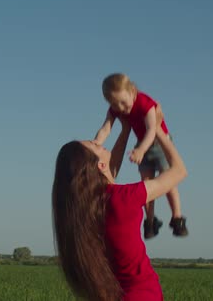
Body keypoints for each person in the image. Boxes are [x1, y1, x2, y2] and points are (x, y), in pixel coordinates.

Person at [53, 118, 187, 300]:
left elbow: (110, 172)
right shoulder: (124, 198)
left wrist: (125, 130)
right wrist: (159, 131)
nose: (99, 141)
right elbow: (179, 171)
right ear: (99, 166)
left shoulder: (86, 209)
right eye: (94, 144)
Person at [94, 73, 187, 238]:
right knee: (146, 184)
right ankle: (150, 222)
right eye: (115, 104)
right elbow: (106, 128)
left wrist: (141, 150)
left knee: (168, 182)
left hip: (159, 144)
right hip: (141, 147)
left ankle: (177, 218)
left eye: (123, 102)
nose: (121, 108)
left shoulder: (144, 102)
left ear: (132, 91)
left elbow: (152, 129)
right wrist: (96, 143)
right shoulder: (115, 109)